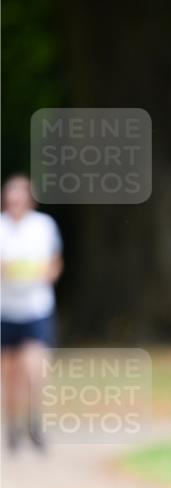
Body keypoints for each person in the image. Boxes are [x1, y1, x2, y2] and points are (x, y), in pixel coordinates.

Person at [0, 173, 63, 451]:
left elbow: (54, 262)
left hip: (37, 308)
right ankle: (12, 426)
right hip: (6, 310)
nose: (15, 200)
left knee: (35, 369)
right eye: (10, 195)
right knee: (10, 373)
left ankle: (34, 421)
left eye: (20, 194)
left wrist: (43, 274)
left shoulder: (44, 226)